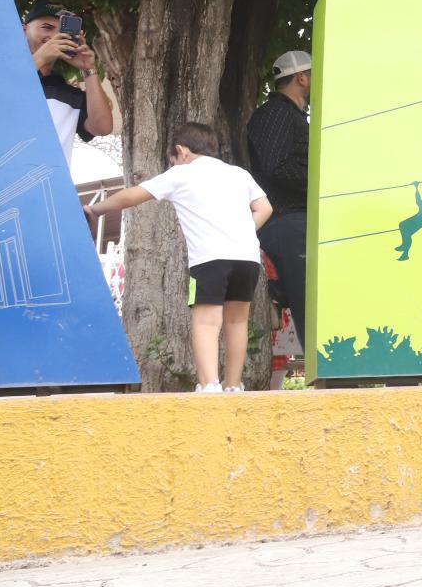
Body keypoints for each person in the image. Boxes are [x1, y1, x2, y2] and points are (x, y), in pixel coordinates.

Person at [85, 122, 271, 392]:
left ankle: (209, 385)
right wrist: (241, 231)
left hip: (210, 259)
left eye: (172, 159)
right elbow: (265, 207)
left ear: (181, 151)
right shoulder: (238, 174)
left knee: (207, 320)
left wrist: (95, 211)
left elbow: (131, 196)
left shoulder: (180, 175)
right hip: (247, 257)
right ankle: (233, 386)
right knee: (237, 321)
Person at [247, 50, 311, 350]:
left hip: (296, 221)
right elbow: (276, 166)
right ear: (302, 77)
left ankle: (276, 291)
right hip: (286, 221)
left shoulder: (292, 115)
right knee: (310, 304)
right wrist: (321, 181)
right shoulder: (274, 113)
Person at [23, 0, 115, 163]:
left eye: (63, 31)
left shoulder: (68, 93)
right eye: (47, 28)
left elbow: (102, 127)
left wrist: (89, 69)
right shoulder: (6, 72)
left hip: (46, 184)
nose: (55, 36)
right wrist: (39, 59)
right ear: (24, 31)